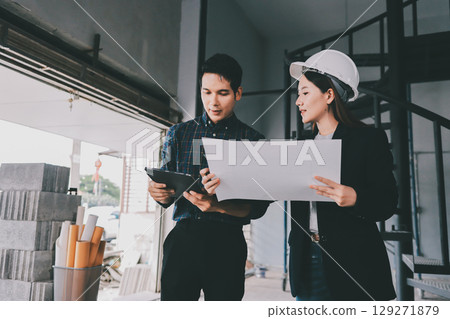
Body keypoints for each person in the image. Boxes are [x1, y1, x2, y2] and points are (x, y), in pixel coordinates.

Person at [148, 53, 269, 301]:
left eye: (222, 93)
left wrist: (217, 205)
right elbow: (166, 192)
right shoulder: (178, 133)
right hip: (182, 239)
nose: (213, 101)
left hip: (227, 244)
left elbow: (257, 208)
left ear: (238, 93)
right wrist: (158, 192)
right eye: (206, 92)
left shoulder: (253, 141)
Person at [287, 50, 397, 301]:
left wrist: (355, 197)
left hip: (355, 263)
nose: (298, 101)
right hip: (306, 260)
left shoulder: (369, 140)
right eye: (298, 94)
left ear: (328, 95)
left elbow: (388, 202)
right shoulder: (299, 147)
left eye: (304, 93)